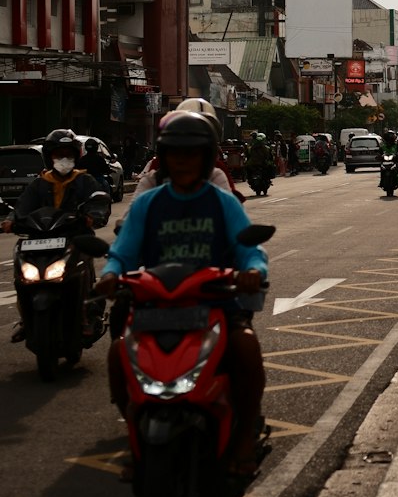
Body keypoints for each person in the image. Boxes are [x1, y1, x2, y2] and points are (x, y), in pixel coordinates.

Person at [96, 112, 268, 477]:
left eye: (191, 153)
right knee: (117, 354)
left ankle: (243, 440)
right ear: (164, 157)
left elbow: (248, 249)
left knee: (246, 349)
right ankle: (136, 433)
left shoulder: (223, 202)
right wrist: (110, 275)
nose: (183, 160)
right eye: (175, 153)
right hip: (156, 306)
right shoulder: (147, 203)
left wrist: (253, 271)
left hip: (214, 303)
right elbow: (123, 252)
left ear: (206, 158)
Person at [2, 129, 106, 341]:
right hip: (40, 239)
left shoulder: (84, 181)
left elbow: (99, 202)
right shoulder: (39, 183)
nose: (63, 159)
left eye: (68, 154)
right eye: (59, 154)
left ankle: (86, 316)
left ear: (76, 156)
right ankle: (26, 318)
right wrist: (11, 220)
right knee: (21, 274)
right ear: (50, 157)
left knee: (84, 272)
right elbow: (23, 205)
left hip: (74, 237)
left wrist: (92, 215)